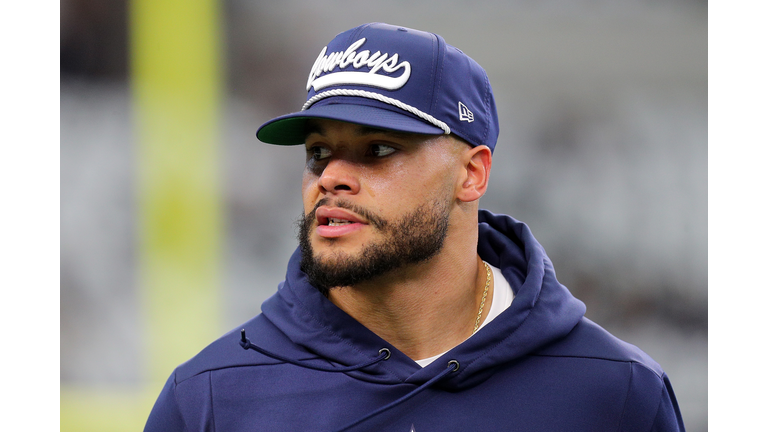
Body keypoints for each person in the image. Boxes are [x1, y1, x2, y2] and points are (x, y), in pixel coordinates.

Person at [144, 22, 685, 432]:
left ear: (471, 174)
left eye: (377, 149)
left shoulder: (615, 392)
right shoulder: (211, 398)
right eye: (318, 153)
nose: (331, 177)